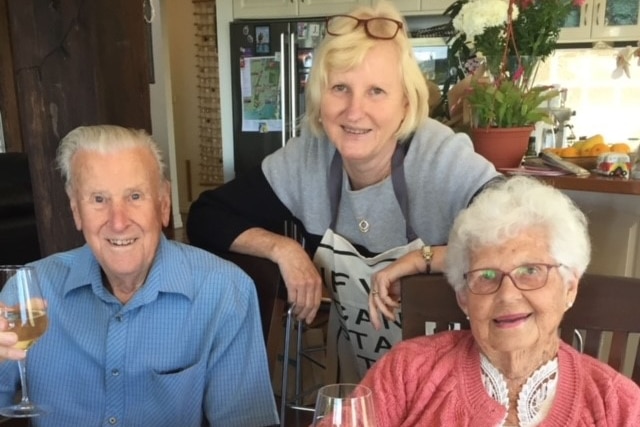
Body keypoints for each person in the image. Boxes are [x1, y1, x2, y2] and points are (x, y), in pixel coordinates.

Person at [187, 0, 500, 381]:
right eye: (340, 88)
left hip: (452, 395)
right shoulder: (308, 158)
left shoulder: (440, 158)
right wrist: (283, 249)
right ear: (320, 99)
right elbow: (207, 217)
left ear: (405, 102)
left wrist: (423, 259)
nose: (354, 111)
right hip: (362, 389)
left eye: (376, 91)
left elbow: (526, 240)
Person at [0, 125, 279, 427]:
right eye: (98, 199)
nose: (118, 222)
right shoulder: (29, 293)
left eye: (134, 196)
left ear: (163, 203)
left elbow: (247, 422)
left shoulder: (224, 290)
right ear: (75, 210)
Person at [357, 176, 640, 425]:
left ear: (570, 287)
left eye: (531, 271)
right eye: (487, 275)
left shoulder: (619, 406)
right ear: (463, 297)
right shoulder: (407, 370)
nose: (507, 295)